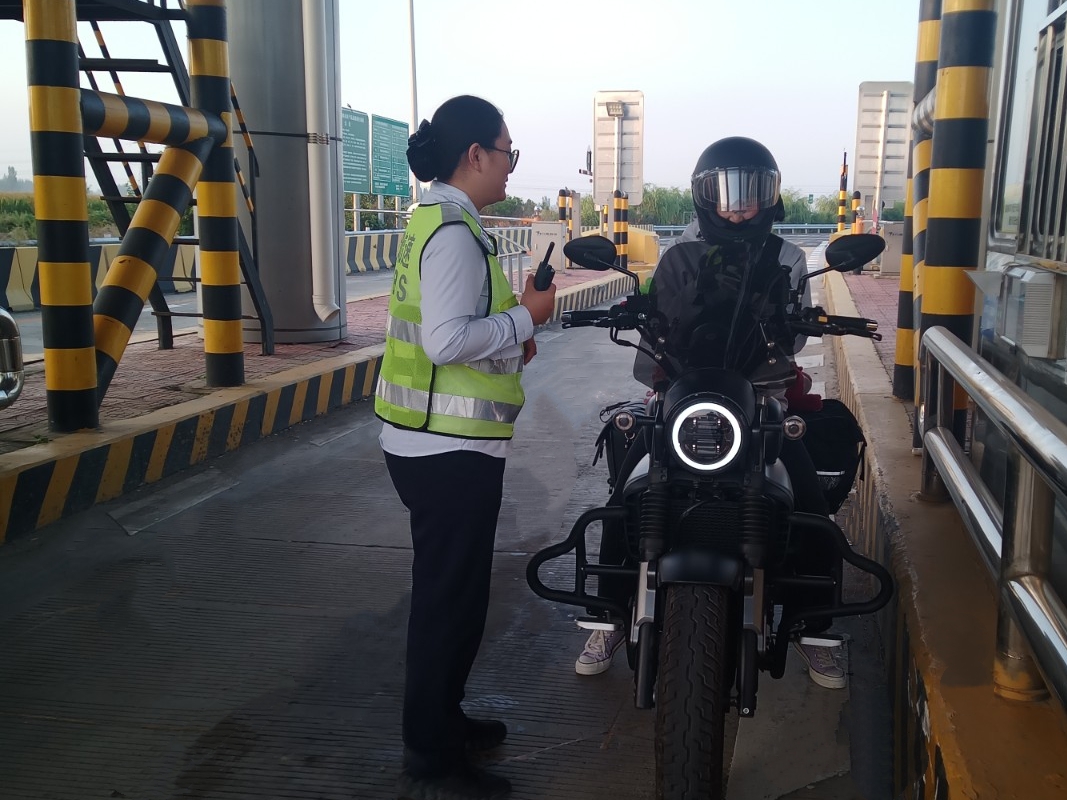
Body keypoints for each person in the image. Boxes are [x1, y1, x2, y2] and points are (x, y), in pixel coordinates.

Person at [574, 137, 848, 690]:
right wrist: (635, 311)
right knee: (626, 489)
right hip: (684, 389)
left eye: (750, 192)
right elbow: (660, 309)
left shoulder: (788, 257)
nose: (738, 207)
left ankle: (814, 626)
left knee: (808, 499)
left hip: (759, 394)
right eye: (727, 193)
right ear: (706, 196)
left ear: (769, 196)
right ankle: (608, 615)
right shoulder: (680, 253)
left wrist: (799, 321)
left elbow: (793, 335)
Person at [375, 95, 556, 800]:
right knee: (447, 605)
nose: (510, 165)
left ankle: (445, 721)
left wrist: (512, 336)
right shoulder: (452, 232)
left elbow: (457, 332)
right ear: (475, 154)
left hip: (431, 440)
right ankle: (431, 756)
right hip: (444, 449)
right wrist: (526, 318)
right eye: (507, 151)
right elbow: (447, 340)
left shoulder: (437, 220)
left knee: (456, 597)